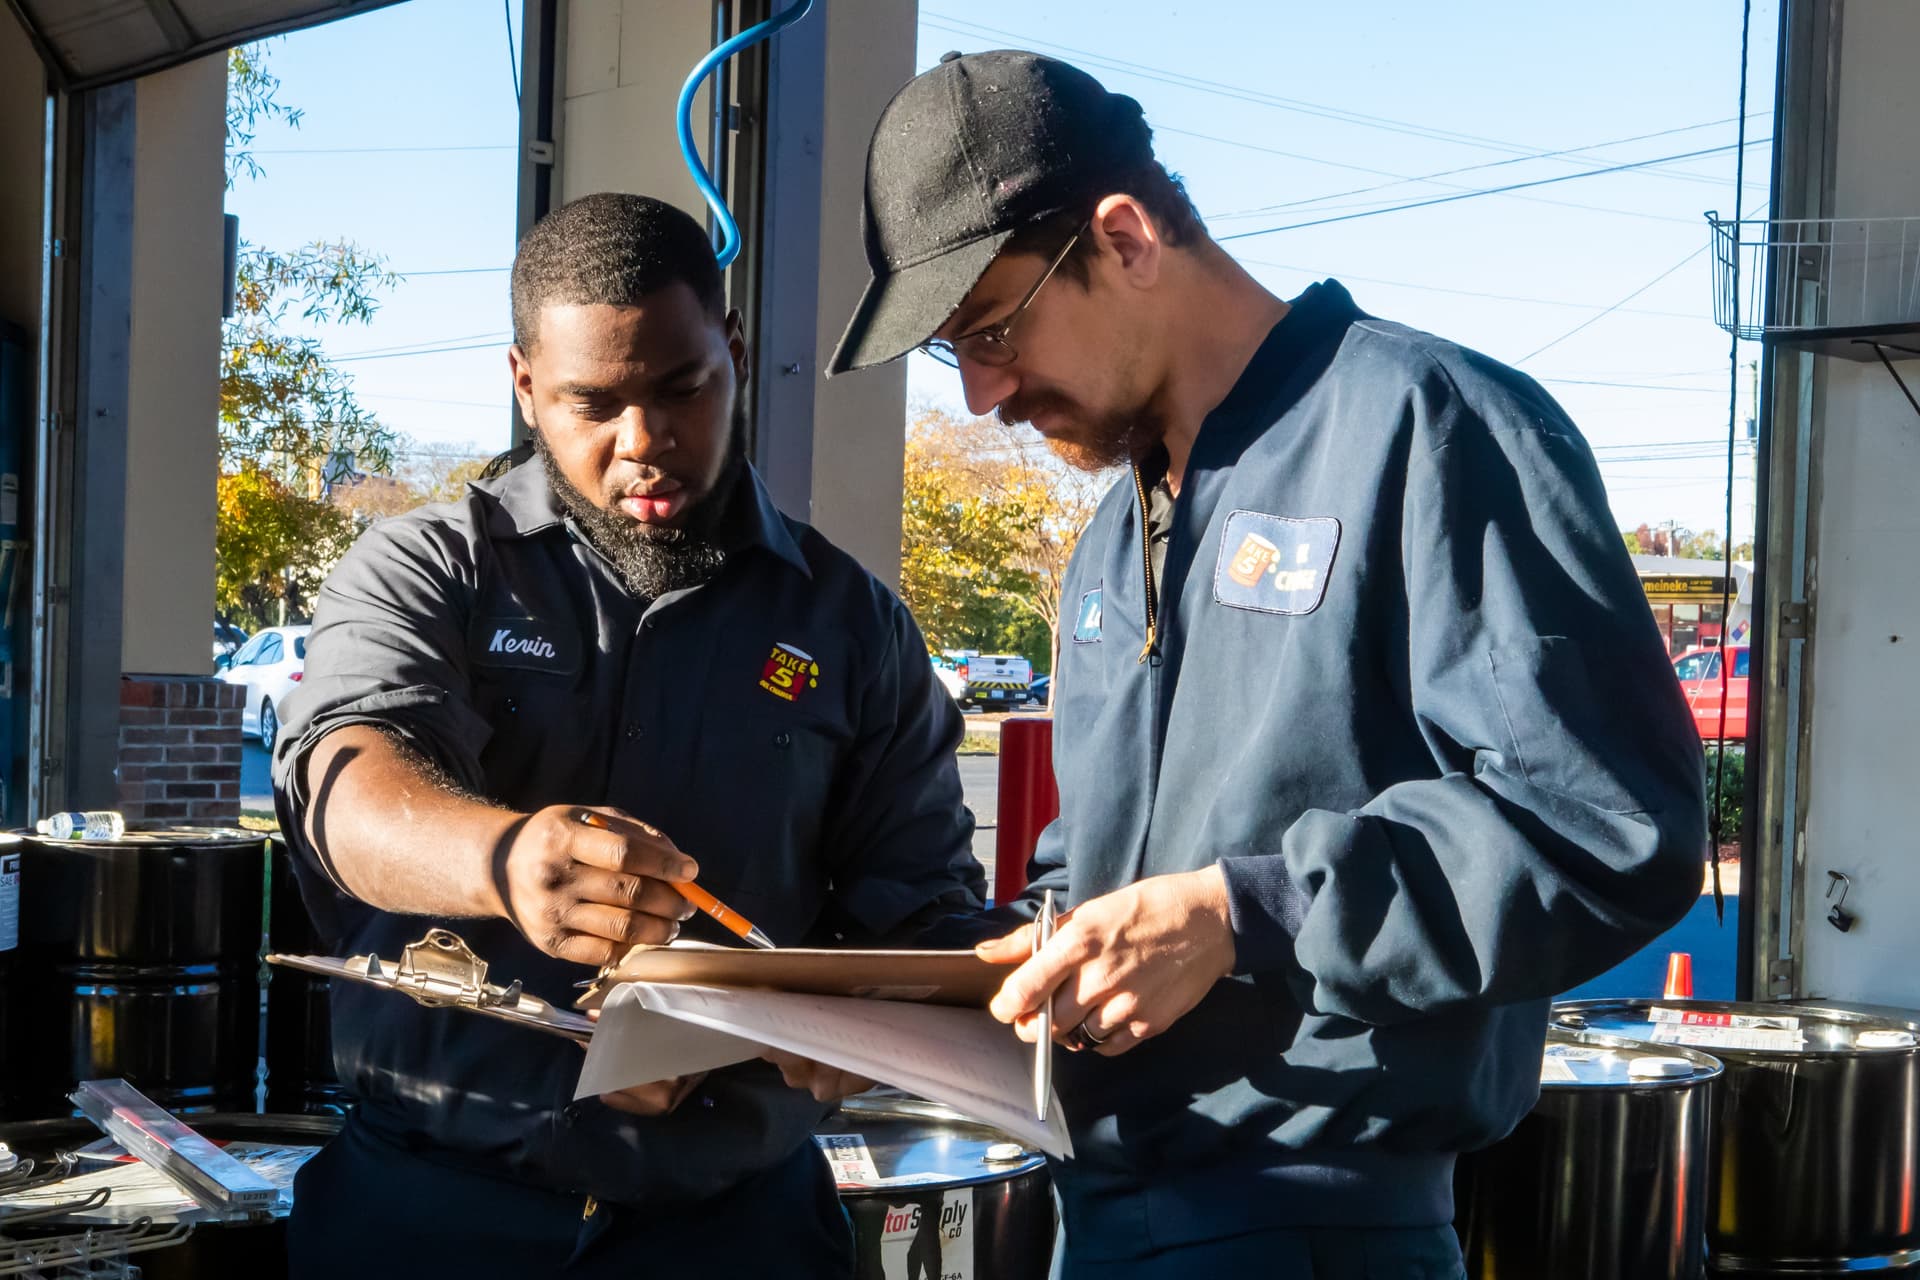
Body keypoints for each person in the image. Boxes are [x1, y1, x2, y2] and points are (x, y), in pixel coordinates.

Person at [829, 50, 1707, 1279]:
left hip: (1324, 1218)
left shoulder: (1432, 426)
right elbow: (1108, 872)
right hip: (1101, 1210)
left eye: (991, 329)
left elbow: (1606, 820)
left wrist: (1247, 913)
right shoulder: (1106, 542)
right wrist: (951, 980)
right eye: (953, 356)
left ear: (1124, 236)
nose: (983, 395)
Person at [272, 191, 983, 1279]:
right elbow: (348, 782)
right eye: (590, 403)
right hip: (427, 1215)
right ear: (522, 383)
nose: (642, 442)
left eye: (681, 388)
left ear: (732, 350)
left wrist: (853, 1018)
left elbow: (922, 904)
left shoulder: (851, 626)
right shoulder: (426, 570)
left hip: (738, 1230)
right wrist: (505, 859)